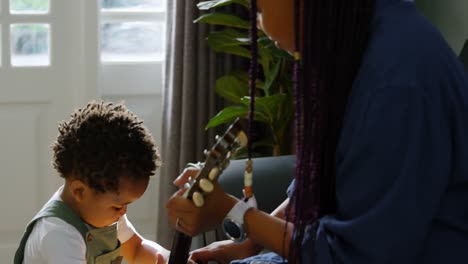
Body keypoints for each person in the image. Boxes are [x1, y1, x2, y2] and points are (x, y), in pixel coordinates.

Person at [166, 0, 468, 263]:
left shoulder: (397, 86)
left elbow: (353, 256)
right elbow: (322, 183)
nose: (258, 27)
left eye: (259, 9)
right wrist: (252, 241)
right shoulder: (360, 39)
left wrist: (235, 213)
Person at [14, 101, 169, 264]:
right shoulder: (58, 235)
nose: (123, 212)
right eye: (118, 206)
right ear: (79, 191)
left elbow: (137, 249)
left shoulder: (106, 213)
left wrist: (169, 258)